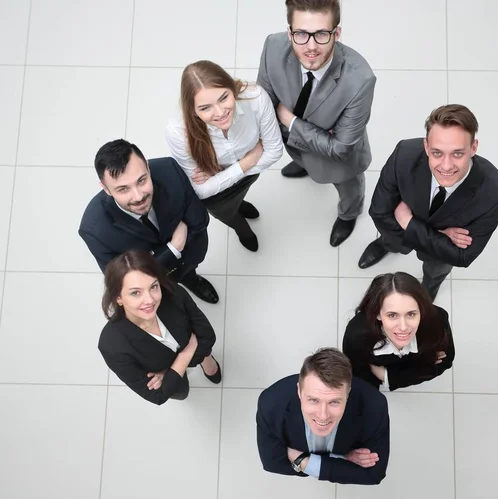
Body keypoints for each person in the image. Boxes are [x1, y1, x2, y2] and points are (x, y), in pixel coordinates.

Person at [359, 104, 498, 300]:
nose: (446, 166)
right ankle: (387, 245)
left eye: (457, 153)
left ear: (473, 148)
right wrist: (439, 236)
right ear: (426, 147)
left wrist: (409, 223)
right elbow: (379, 212)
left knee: (435, 272)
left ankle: (428, 289)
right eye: (437, 153)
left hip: (435, 256)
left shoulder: (494, 193)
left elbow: (462, 257)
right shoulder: (404, 154)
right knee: (390, 237)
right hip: (407, 236)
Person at [257, 0, 376, 247]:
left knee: (349, 191)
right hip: (295, 143)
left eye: (321, 34)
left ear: (337, 33)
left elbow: (341, 149)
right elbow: (263, 103)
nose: (311, 47)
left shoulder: (361, 79)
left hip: (339, 163)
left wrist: (290, 121)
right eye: (301, 34)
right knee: (305, 158)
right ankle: (305, 166)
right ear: (289, 31)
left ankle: (349, 215)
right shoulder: (273, 46)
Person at [79, 139, 219, 304]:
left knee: (188, 272)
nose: (138, 197)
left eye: (141, 181)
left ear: (147, 167)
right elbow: (125, 280)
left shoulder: (169, 169)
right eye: (123, 189)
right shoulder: (94, 230)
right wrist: (173, 249)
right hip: (155, 282)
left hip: (191, 254)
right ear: (105, 188)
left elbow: (199, 221)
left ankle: (191, 278)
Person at [166, 60, 283, 252]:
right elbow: (200, 191)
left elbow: (275, 151)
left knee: (239, 197)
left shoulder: (255, 98)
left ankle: (240, 204)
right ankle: (242, 229)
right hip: (223, 189)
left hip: (243, 173)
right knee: (227, 214)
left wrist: (221, 173)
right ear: (192, 111)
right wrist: (246, 163)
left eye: (223, 98)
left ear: (232, 89)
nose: (220, 113)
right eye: (205, 108)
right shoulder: (178, 132)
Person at [98, 251, 221, 405]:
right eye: (136, 293)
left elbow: (208, 336)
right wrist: (186, 354)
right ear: (118, 297)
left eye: (153, 286)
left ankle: (206, 361)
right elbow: (158, 396)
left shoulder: (172, 293)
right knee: (182, 393)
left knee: (205, 351)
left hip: (187, 361)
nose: (150, 300)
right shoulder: (111, 346)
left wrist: (169, 374)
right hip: (183, 366)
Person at [256, 347, 389, 485]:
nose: (323, 415)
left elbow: (373, 474)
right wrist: (341, 458)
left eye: (334, 402)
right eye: (314, 400)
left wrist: (299, 458)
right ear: (299, 391)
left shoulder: (374, 405)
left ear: (348, 394)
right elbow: (272, 463)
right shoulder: (271, 403)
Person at [342, 272, 454, 391]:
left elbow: (445, 362)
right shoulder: (356, 335)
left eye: (411, 314)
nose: (403, 327)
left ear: (422, 310)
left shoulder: (438, 321)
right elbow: (359, 374)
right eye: (392, 315)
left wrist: (388, 376)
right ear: (378, 314)